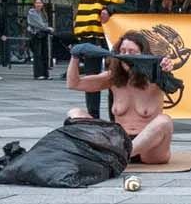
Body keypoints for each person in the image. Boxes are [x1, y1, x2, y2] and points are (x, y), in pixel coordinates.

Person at [44, 0, 133, 119]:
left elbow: (132, 5)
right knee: (91, 76)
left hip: (112, 36)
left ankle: (113, 117)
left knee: (114, 76)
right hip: (89, 33)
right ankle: (93, 117)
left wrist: (111, 9)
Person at [66, 30, 174, 163]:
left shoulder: (155, 78)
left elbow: (168, 75)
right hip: (118, 142)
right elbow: (74, 84)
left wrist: (166, 66)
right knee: (75, 113)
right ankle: (119, 155)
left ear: (143, 54)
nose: (126, 56)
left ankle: (120, 156)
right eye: (123, 52)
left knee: (164, 121)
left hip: (149, 151)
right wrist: (74, 57)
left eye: (132, 52)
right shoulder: (113, 78)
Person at [26, 0, 53, 81]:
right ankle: (38, 74)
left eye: (40, 3)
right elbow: (39, 24)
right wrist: (48, 28)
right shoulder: (32, 12)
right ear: (34, 4)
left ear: (42, 4)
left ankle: (45, 74)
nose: (38, 4)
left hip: (44, 35)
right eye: (37, 3)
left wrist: (47, 29)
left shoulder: (43, 13)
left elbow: (45, 23)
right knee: (37, 55)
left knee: (45, 54)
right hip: (36, 35)